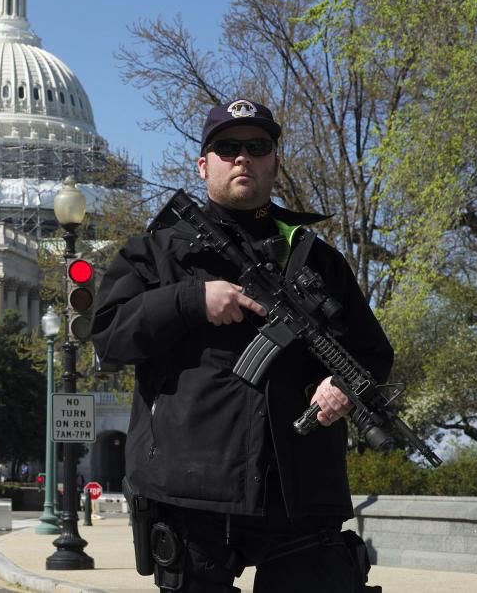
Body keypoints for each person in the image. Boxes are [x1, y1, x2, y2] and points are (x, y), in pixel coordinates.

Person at [92, 99, 393, 592]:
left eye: (258, 147)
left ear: (274, 160)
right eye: (228, 147)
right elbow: (109, 336)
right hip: (193, 491)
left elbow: (372, 352)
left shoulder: (320, 260)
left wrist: (343, 387)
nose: (242, 158)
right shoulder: (158, 253)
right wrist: (191, 300)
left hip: (302, 488)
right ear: (203, 163)